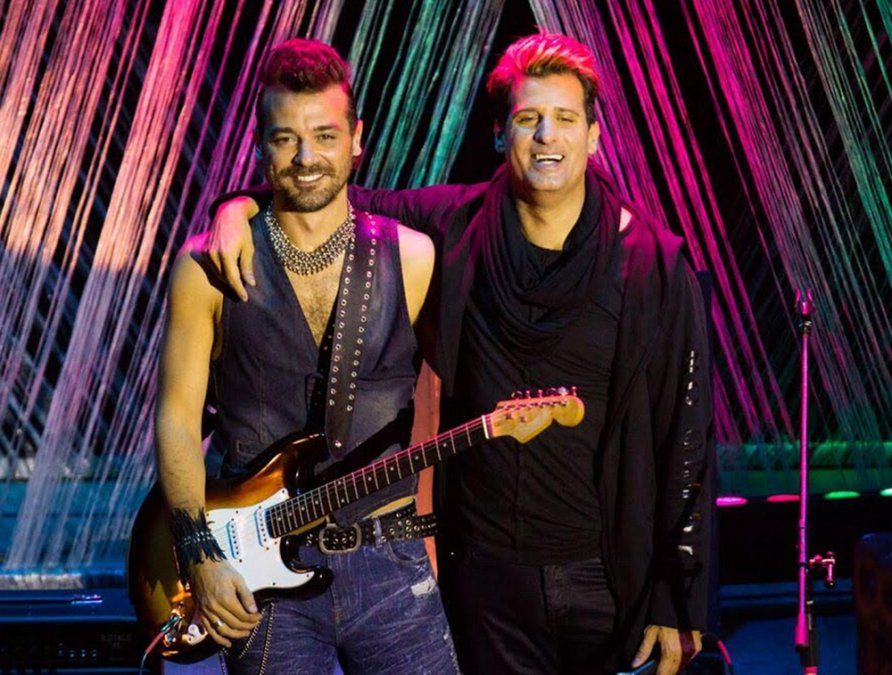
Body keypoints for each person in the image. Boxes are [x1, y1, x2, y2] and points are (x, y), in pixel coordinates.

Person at [205, 33, 714, 675]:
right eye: (528, 119)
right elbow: (323, 194)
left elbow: (687, 436)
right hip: (486, 580)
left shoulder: (653, 266)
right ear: (501, 135)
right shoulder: (451, 225)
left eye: (565, 118)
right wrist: (236, 206)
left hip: (608, 574)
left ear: (594, 135)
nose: (547, 137)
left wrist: (679, 598)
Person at [155, 38, 458, 674]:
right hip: (257, 577)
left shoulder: (414, 257)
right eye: (285, 139)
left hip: (389, 564)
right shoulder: (204, 269)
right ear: (260, 145)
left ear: (357, 138)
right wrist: (199, 554)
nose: (306, 157)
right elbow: (177, 420)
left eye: (324, 136)